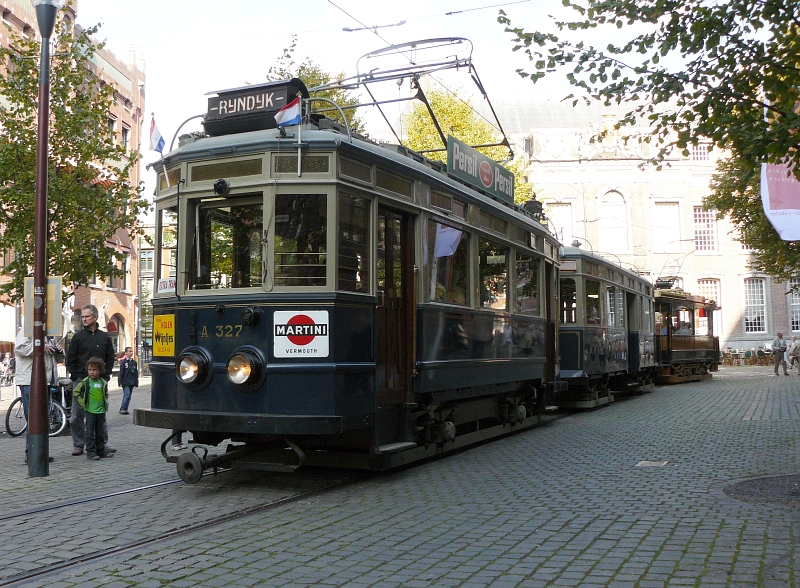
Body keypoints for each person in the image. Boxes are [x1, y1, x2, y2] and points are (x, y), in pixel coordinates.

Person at [66, 304, 116, 456]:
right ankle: (79, 444)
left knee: (99, 413)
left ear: (95, 317)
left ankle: (102, 443)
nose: (84, 319)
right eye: (82, 317)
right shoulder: (78, 337)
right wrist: (75, 376)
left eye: (87, 316)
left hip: (98, 381)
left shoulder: (104, 337)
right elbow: (71, 358)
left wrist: (105, 376)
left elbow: (110, 357)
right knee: (76, 415)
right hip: (81, 380)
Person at [14, 328, 59, 465]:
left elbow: (51, 358)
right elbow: (19, 348)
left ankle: (40, 452)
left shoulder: (51, 333)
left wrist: (59, 352)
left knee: (42, 418)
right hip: (30, 380)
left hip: (45, 380)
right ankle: (32, 453)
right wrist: (40, 346)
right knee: (34, 418)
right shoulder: (28, 329)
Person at [73, 357, 113, 460]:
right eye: (90, 370)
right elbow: (76, 392)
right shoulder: (85, 382)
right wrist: (82, 403)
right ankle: (90, 452)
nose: (92, 372)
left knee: (100, 432)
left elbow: (105, 393)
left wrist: (105, 403)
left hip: (101, 411)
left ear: (100, 371)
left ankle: (101, 450)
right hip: (90, 411)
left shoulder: (102, 382)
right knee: (90, 432)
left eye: (95, 370)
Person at [117, 346, 138, 415]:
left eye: (132, 351)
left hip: (131, 382)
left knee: (129, 397)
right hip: (125, 382)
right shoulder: (123, 362)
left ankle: (125, 408)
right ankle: (122, 408)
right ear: (126, 353)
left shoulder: (134, 362)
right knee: (127, 395)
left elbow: (135, 373)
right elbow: (121, 373)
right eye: (129, 351)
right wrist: (120, 382)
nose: (131, 353)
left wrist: (136, 382)